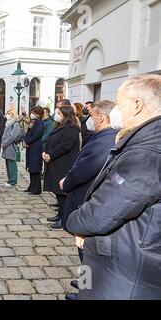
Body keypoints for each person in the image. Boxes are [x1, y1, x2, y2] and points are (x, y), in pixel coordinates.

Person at [66, 74, 161, 300]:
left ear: (137, 105)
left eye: (119, 103)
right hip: (122, 262)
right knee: (86, 280)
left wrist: (74, 222)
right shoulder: (146, 141)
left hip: (125, 272)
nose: (117, 109)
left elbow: (104, 211)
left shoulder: (145, 155)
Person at [59, 100, 118, 300]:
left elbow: (82, 170)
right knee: (85, 254)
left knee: (87, 253)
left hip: (85, 201)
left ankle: (85, 292)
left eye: (92, 116)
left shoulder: (104, 141)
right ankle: (85, 284)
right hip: (87, 199)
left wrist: (66, 183)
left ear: (101, 117)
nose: (89, 120)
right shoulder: (105, 137)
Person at [43, 106, 80, 229]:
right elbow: (50, 140)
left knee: (63, 192)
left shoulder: (71, 128)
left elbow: (65, 146)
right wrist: (45, 152)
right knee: (58, 192)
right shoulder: (59, 125)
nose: (56, 115)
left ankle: (64, 218)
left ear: (65, 114)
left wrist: (50, 154)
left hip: (64, 163)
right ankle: (60, 215)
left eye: (58, 113)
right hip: (55, 162)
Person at [23, 106, 45, 195]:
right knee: (31, 167)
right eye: (32, 112)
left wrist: (28, 142)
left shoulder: (40, 123)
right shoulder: (33, 122)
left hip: (36, 147)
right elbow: (28, 133)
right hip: (31, 146)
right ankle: (31, 186)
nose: (32, 114)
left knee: (36, 168)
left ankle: (36, 189)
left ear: (38, 114)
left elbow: (36, 135)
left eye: (34, 113)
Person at [1, 108, 22, 188]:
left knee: (11, 162)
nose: (7, 115)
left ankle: (13, 180)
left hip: (10, 146)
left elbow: (12, 136)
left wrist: (4, 143)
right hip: (6, 146)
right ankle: (10, 179)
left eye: (9, 113)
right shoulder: (8, 123)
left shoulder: (15, 124)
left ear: (13, 115)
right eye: (7, 113)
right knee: (8, 162)